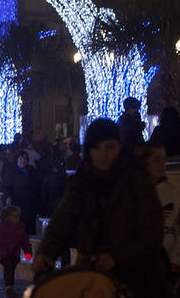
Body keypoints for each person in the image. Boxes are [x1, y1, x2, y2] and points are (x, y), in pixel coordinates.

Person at [33, 118, 170, 297]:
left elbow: (151, 232)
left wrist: (117, 258)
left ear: (119, 148)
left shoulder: (137, 179)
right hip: (93, 276)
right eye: (96, 148)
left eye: (110, 147)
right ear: (89, 150)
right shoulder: (81, 182)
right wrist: (45, 253)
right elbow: (62, 222)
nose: (103, 154)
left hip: (139, 278)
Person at [136, 141, 180, 292]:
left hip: (169, 267)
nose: (162, 164)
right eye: (157, 159)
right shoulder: (135, 195)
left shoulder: (174, 193)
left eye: (163, 159)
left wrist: (175, 261)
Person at [0, 205, 32, 297]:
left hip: (15, 252)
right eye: (15, 217)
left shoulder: (20, 227)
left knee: (12, 268)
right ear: (8, 217)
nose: (17, 219)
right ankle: (9, 286)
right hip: (6, 252)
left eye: (18, 216)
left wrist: (28, 252)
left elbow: (25, 241)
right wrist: (7, 245)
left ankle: (10, 285)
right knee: (8, 268)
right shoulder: (2, 226)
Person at [1, 151, 41, 235]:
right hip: (18, 206)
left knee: (30, 232)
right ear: (17, 159)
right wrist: (8, 197)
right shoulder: (11, 172)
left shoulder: (32, 171)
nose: (23, 160)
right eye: (21, 158)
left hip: (30, 207)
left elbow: (37, 186)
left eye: (25, 158)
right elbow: (6, 187)